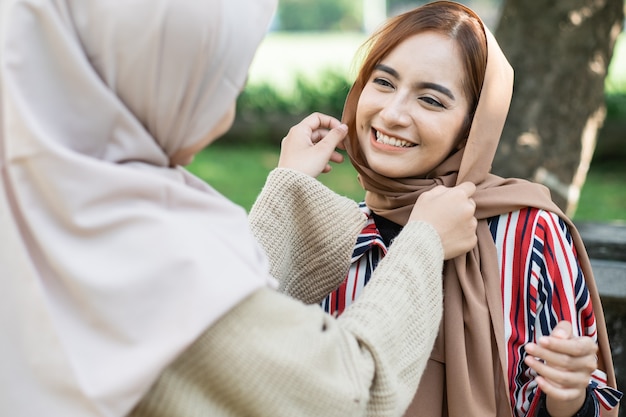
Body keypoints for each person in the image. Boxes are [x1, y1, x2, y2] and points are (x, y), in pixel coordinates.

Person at [0, 0, 480, 416]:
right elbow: (347, 395)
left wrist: (289, 188)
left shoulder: (52, 188)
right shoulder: (149, 245)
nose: (226, 109)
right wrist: (422, 243)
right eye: (217, 77)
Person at [250, 2, 622, 417]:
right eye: (384, 82)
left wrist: (568, 398)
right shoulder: (331, 232)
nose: (391, 114)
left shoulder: (526, 231)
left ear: (472, 125)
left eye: (430, 100)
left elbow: (561, 393)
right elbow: (238, 356)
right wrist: (286, 187)